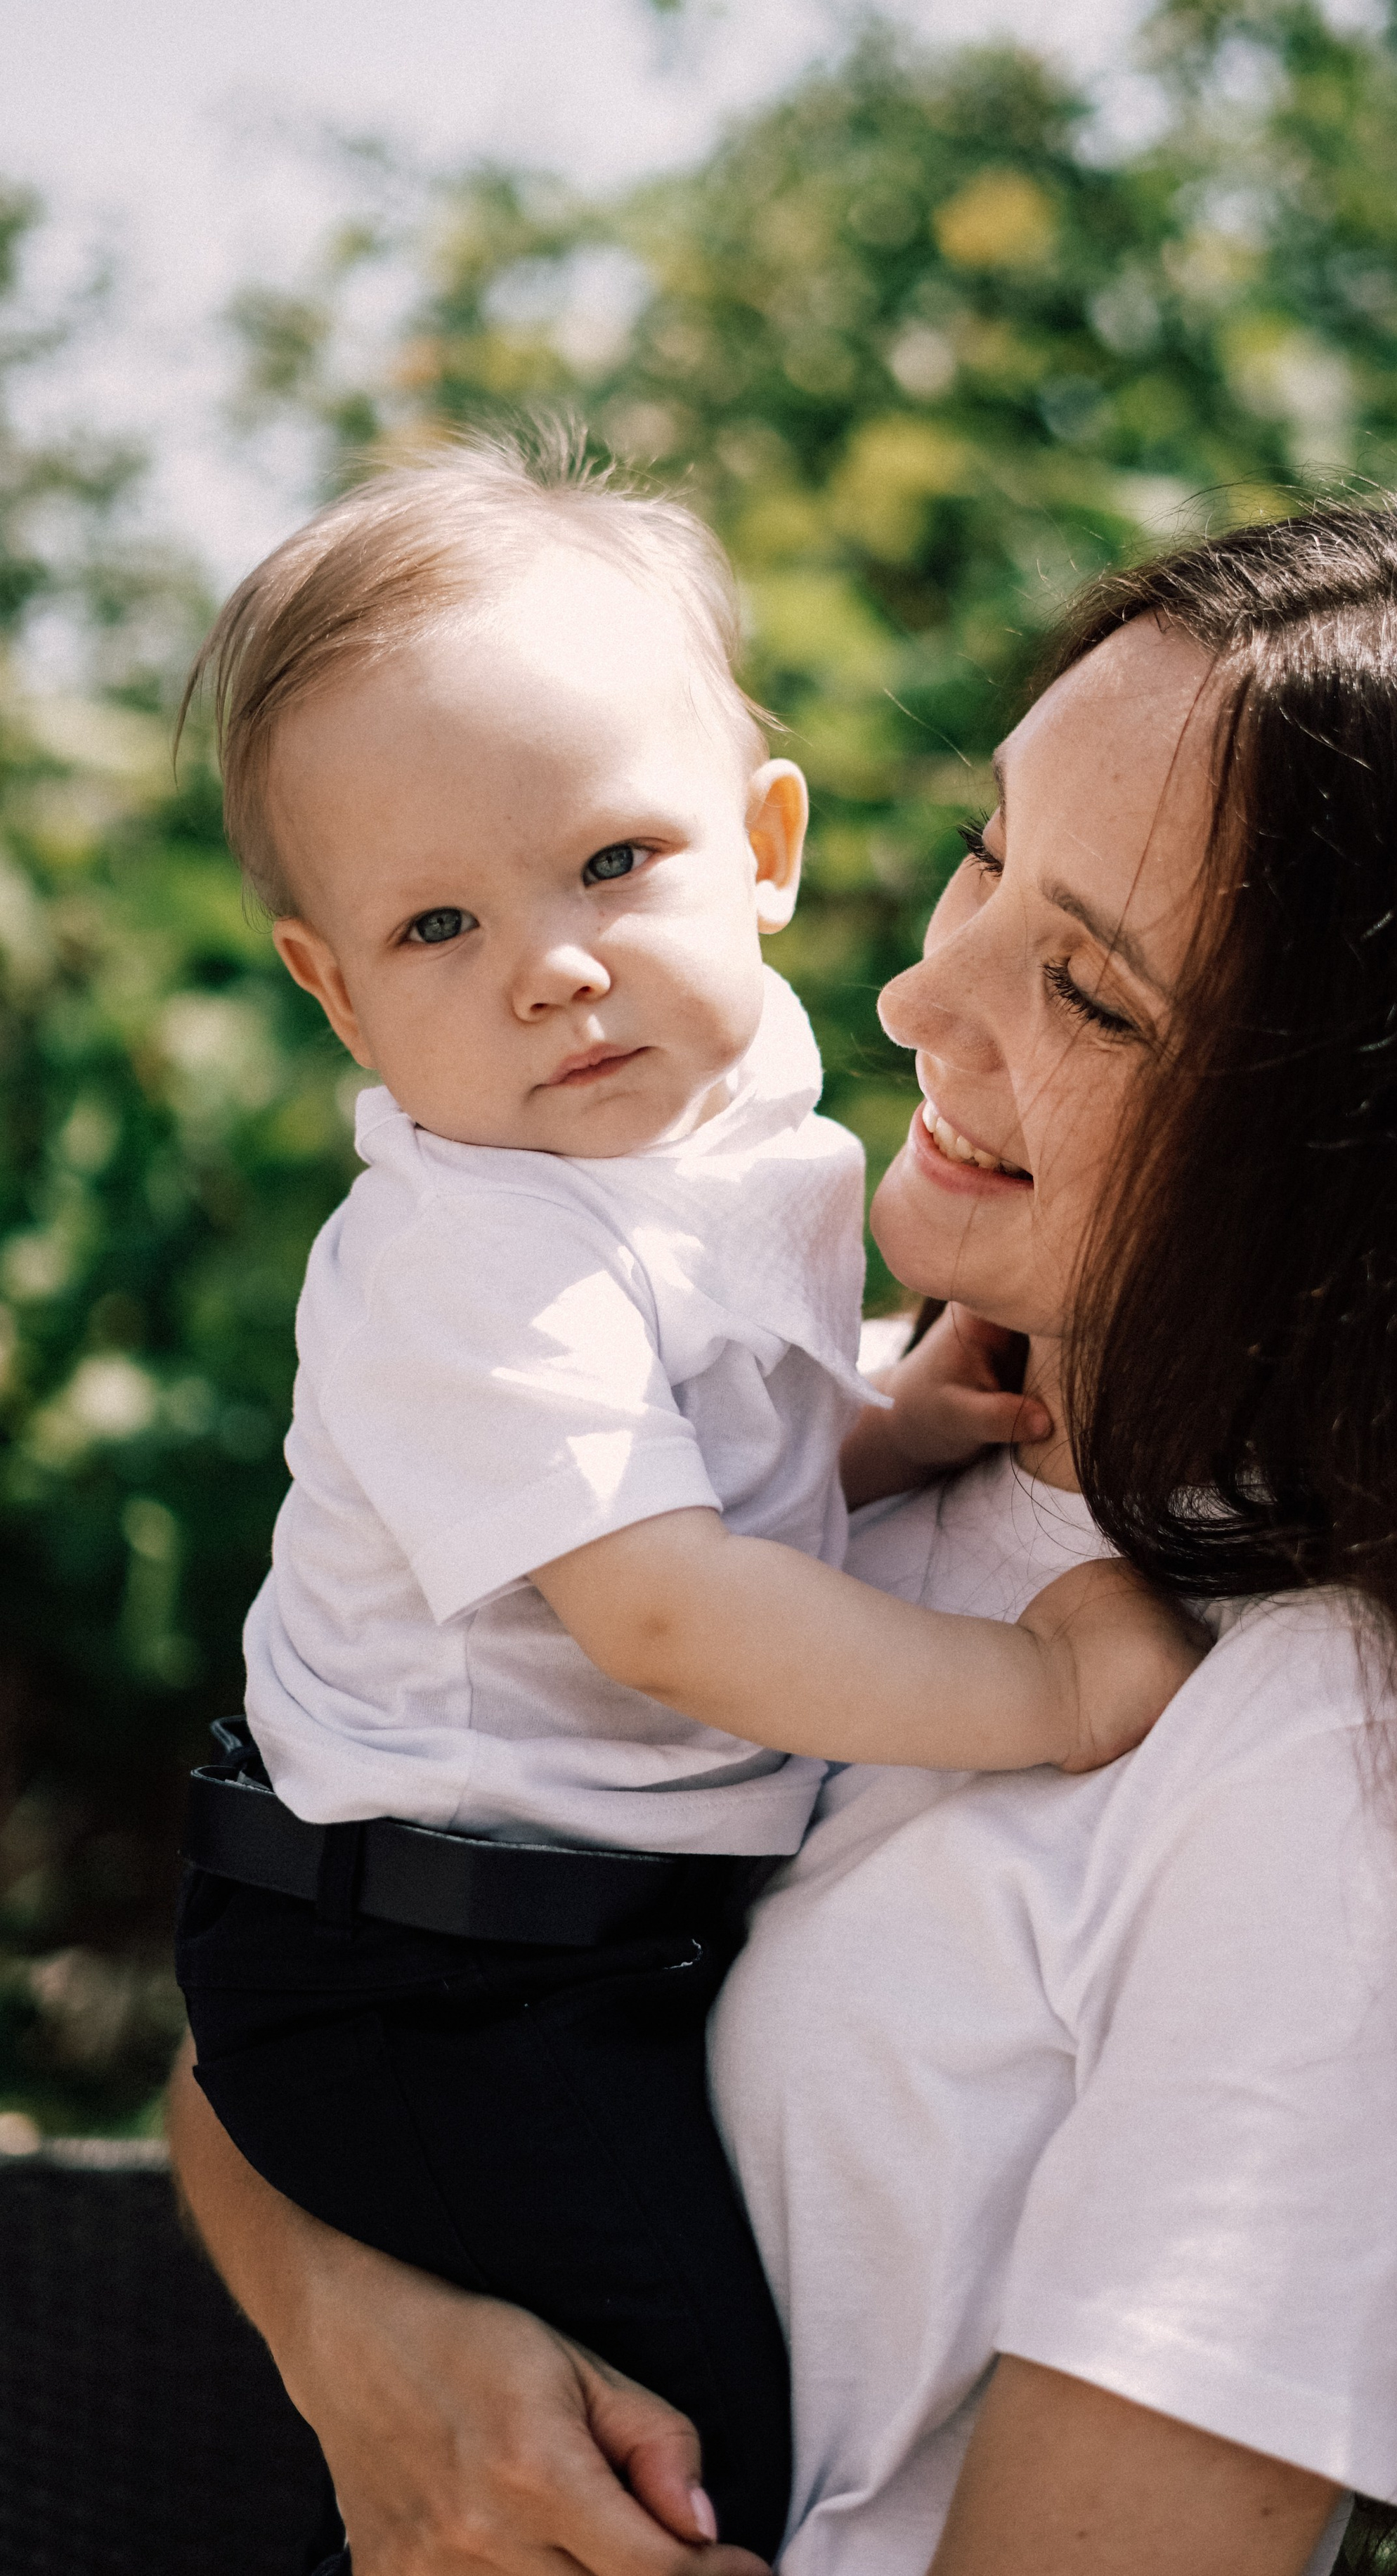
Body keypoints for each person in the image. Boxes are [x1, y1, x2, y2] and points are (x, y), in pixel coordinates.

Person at [170, 500, 1397, 2576]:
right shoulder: (826, 1440)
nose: (919, 996)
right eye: (984, 851)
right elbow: (250, 2058)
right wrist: (372, 2347)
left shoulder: (1319, 1770)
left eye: (1090, 993)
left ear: (1376, 1145)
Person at [169, 435, 1195, 2560]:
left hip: (560, 1935)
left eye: (613, 860)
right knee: (668, 2436)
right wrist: (1040, 1692)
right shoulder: (474, 1255)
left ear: (766, 845)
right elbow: (658, 1605)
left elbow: (715, 1454)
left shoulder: (732, 1118)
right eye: (437, 924)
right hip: (425, 1976)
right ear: (334, 989)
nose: (549, 965)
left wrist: (886, 1422)